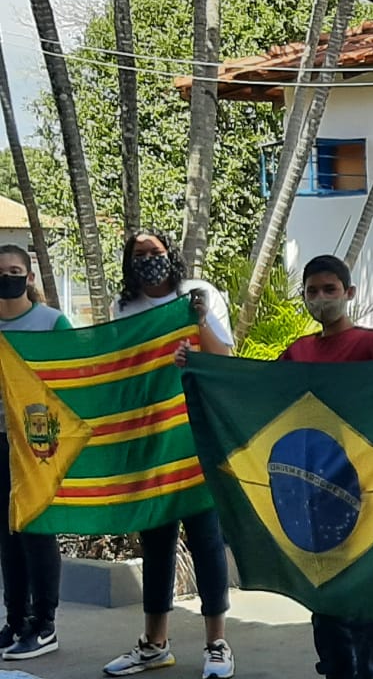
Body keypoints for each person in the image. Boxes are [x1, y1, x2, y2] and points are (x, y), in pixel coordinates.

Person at [103, 229, 235, 678]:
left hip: (195, 436)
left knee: (206, 539)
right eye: (138, 255)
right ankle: (154, 643)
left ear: (170, 254)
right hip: (150, 441)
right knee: (156, 542)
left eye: (155, 252)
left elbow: (225, 361)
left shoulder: (198, 295)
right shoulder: (125, 309)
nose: (148, 261)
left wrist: (198, 323)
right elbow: (122, 372)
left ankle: (217, 643)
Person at [280, 255, 373, 679]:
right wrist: (200, 368)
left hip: (367, 487)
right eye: (312, 291)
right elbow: (255, 392)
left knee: (366, 584)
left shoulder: (372, 345)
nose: (320, 298)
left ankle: (372, 669)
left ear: (348, 294)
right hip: (313, 491)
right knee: (326, 588)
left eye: (329, 290)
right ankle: (335, 668)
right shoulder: (299, 353)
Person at [0, 245, 69, 661]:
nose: (6, 277)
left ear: (28, 277)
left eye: (14, 270)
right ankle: (16, 620)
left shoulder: (51, 322)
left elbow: (73, 378)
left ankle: (45, 625)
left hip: (38, 444)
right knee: (7, 537)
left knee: (38, 533)